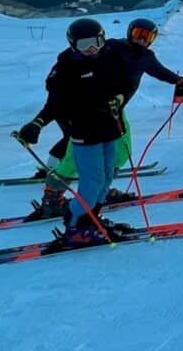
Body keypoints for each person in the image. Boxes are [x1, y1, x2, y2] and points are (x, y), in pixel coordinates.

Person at [26, 18, 183, 220]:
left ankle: (101, 188)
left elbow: (159, 71)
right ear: (129, 32)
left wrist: (178, 81)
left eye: (147, 37)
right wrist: (39, 121)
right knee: (73, 157)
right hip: (80, 114)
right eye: (138, 34)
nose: (141, 40)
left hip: (113, 112)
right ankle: (52, 197)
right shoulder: (112, 48)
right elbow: (68, 73)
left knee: (121, 152)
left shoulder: (146, 57)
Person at [16, 18, 132, 245]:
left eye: (97, 42)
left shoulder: (110, 58)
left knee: (106, 178)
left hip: (109, 129)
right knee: (92, 181)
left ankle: (92, 220)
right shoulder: (66, 67)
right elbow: (54, 104)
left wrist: (121, 97)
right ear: (73, 44)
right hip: (84, 132)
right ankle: (76, 226)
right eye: (85, 44)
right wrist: (37, 123)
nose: (92, 49)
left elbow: (126, 84)